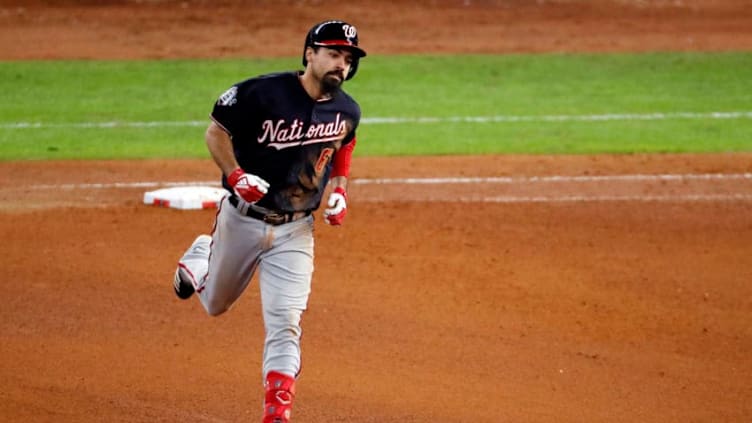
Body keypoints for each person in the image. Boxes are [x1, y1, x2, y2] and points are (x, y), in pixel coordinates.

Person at [172, 20, 366, 423]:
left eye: (347, 59)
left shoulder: (346, 110)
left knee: (286, 322)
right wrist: (235, 176)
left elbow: (344, 143)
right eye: (332, 54)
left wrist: (341, 190)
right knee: (214, 306)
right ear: (309, 54)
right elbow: (216, 133)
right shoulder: (260, 93)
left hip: (296, 230)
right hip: (241, 221)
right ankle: (198, 260)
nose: (341, 65)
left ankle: (277, 414)